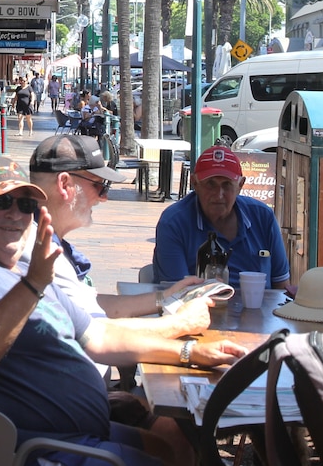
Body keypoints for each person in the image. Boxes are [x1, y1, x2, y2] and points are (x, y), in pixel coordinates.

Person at [0, 156, 248, 466]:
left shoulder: (20, 269)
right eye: (0, 202)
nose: (15, 214)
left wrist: (191, 351)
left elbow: (99, 335)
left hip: (75, 432)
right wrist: (33, 285)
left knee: (174, 445)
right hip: (40, 449)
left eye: (26, 204)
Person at [27, 135, 211, 466]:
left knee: (174, 428)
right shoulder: (39, 255)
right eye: (100, 186)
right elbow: (100, 338)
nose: (104, 198)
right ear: (66, 185)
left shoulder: (44, 242)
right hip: (64, 418)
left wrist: (163, 297)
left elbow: (92, 307)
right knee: (177, 432)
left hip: (76, 399)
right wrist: (182, 329)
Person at [153, 145, 292, 289]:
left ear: (240, 185)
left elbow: (281, 286)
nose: (219, 195)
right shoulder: (174, 222)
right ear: (195, 183)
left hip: (259, 309)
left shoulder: (263, 217)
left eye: (227, 185)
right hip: (195, 308)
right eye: (210, 184)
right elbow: (176, 294)